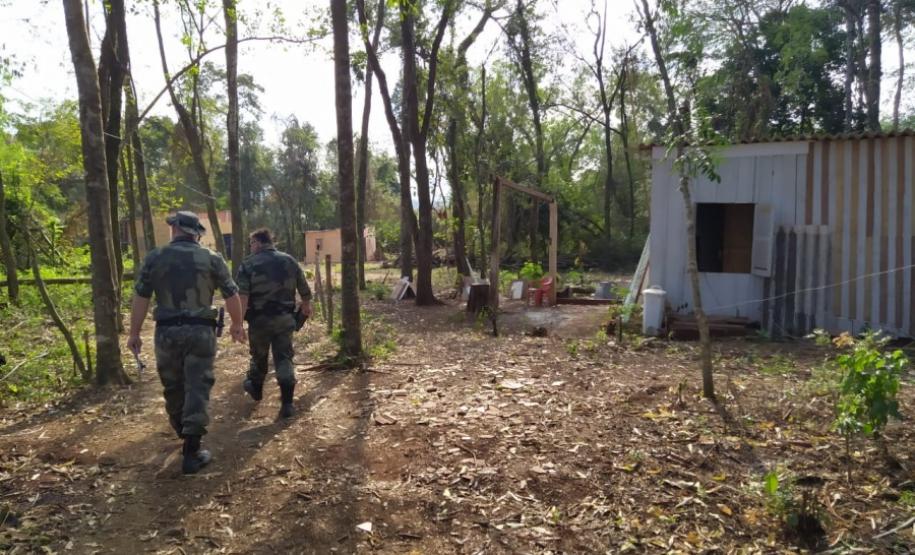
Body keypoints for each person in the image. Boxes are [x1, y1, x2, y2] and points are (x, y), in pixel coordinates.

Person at [127, 211, 246, 475]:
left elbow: (141, 297)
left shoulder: (155, 257)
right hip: (200, 332)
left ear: (174, 230)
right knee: (197, 385)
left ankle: (182, 429)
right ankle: (192, 451)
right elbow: (232, 293)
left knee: (173, 385)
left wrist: (134, 333)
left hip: (166, 333)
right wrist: (238, 325)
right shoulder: (211, 258)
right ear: (196, 233)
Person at [237, 228, 312, 418]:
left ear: (259, 242)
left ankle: (256, 387)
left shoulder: (248, 264)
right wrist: (306, 305)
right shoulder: (289, 260)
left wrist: (238, 321)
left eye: (251, 243)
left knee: (259, 356)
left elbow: (243, 296)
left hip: (259, 320)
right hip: (285, 319)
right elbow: (304, 288)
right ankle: (287, 404)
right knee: (284, 358)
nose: (250, 247)